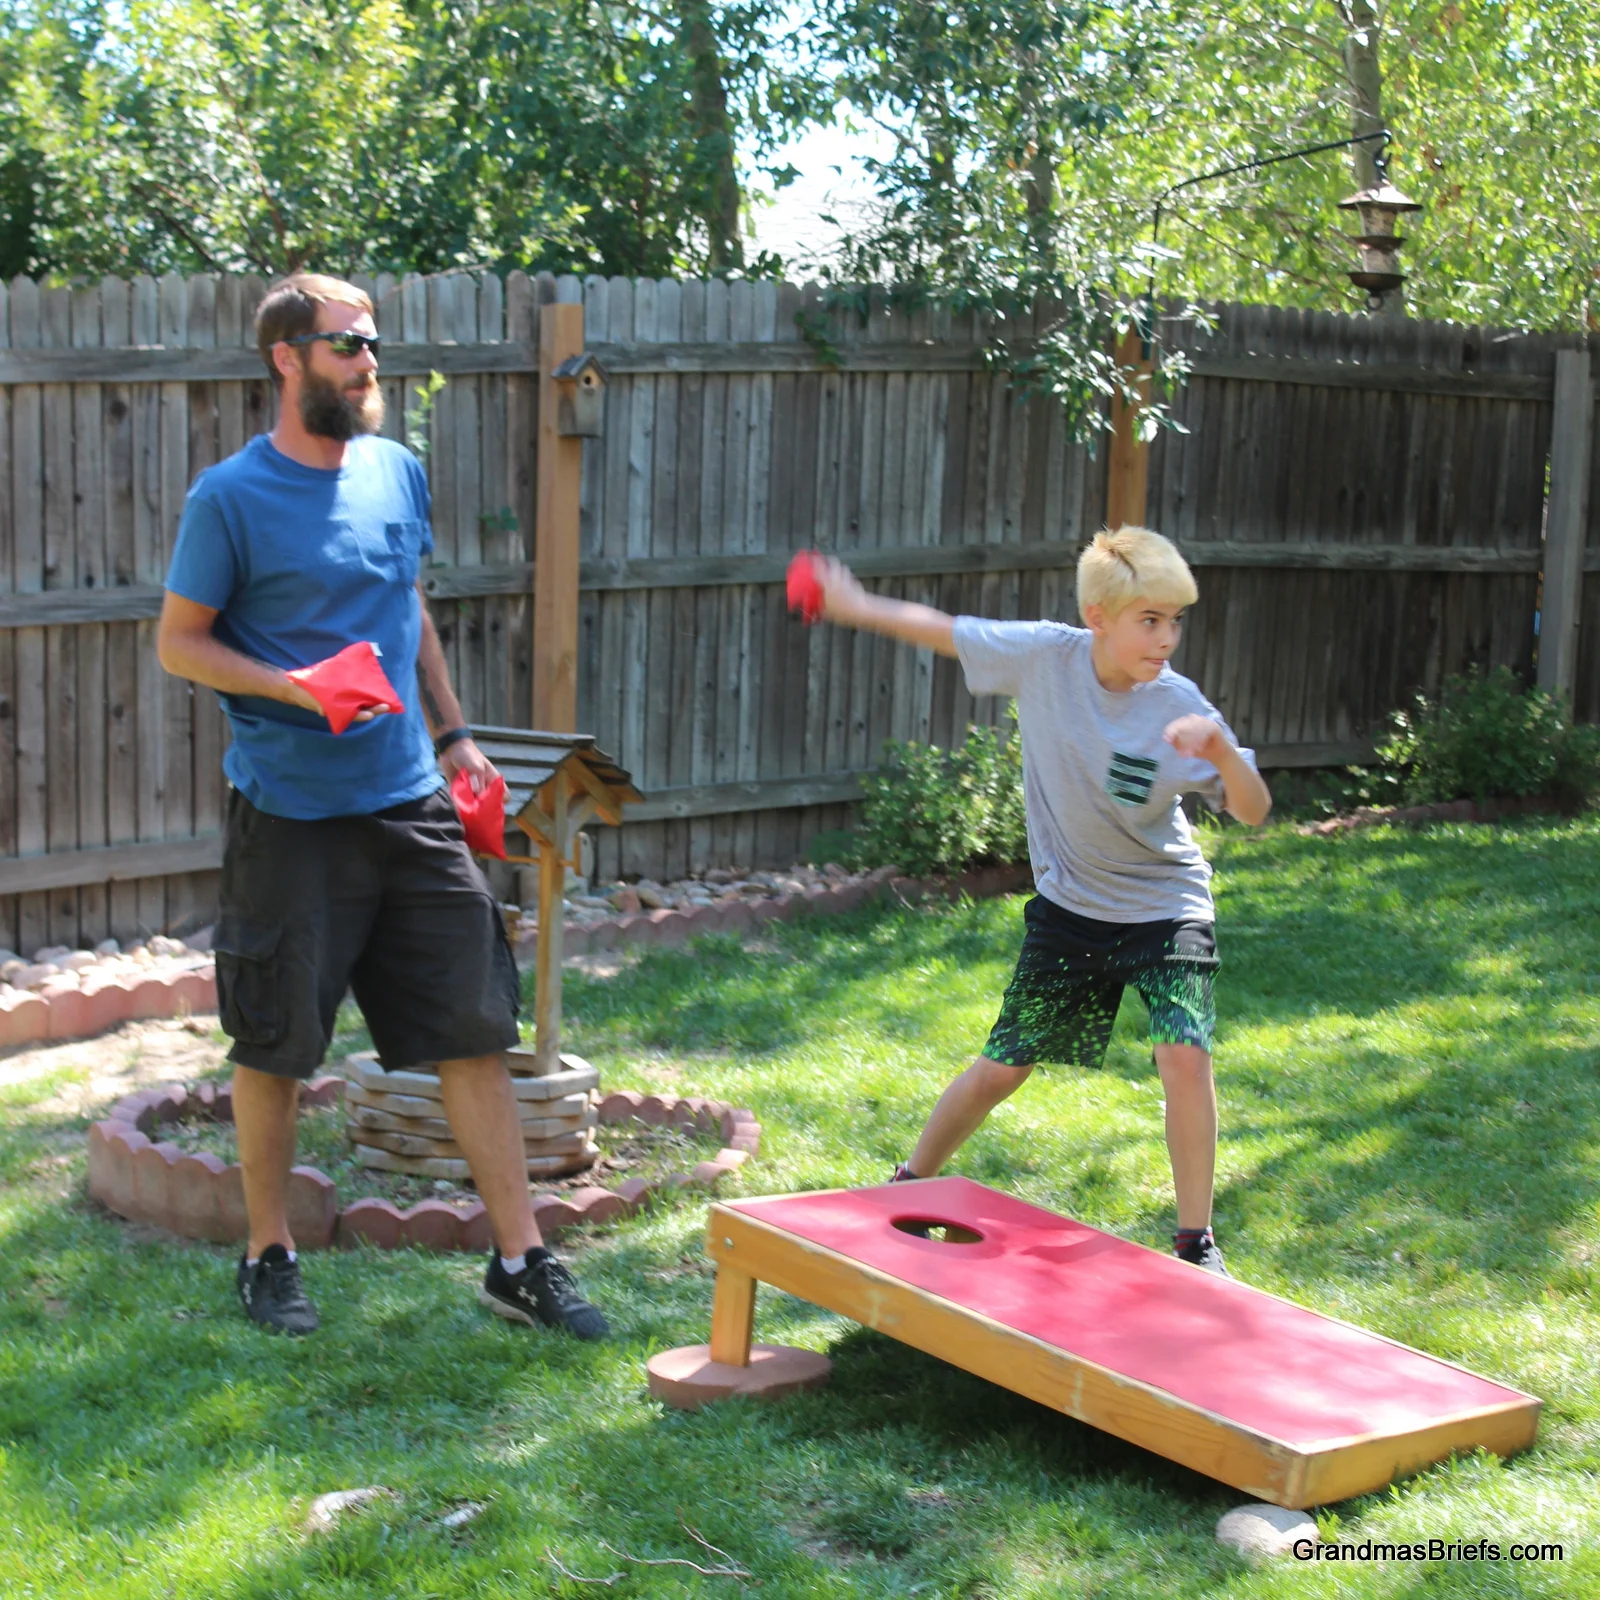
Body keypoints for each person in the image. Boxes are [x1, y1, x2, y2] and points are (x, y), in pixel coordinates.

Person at [158, 272, 607, 1339]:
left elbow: (407, 604)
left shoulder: (397, 472)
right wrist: (296, 687)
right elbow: (181, 642)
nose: (370, 362)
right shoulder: (229, 497)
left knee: (473, 1026)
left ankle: (520, 1259)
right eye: (348, 345)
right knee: (275, 1043)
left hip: (409, 799)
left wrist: (455, 735)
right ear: (288, 359)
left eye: (373, 343)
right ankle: (269, 1253)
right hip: (291, 810)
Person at [811, 527, 1272, 1275]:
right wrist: (855, 604)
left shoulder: (1179, 704)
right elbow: (944, 630)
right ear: (1098, 617)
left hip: (1167, 908)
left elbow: (1254, 810)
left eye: (1176, 621)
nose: (1167, 638)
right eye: (1149, 620)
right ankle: (908, 1184)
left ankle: (1197, 1242)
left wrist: (1220, 750)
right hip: (1073, 911)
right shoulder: (1044, 657)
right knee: (1004, 1068)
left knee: (1185, 1056)